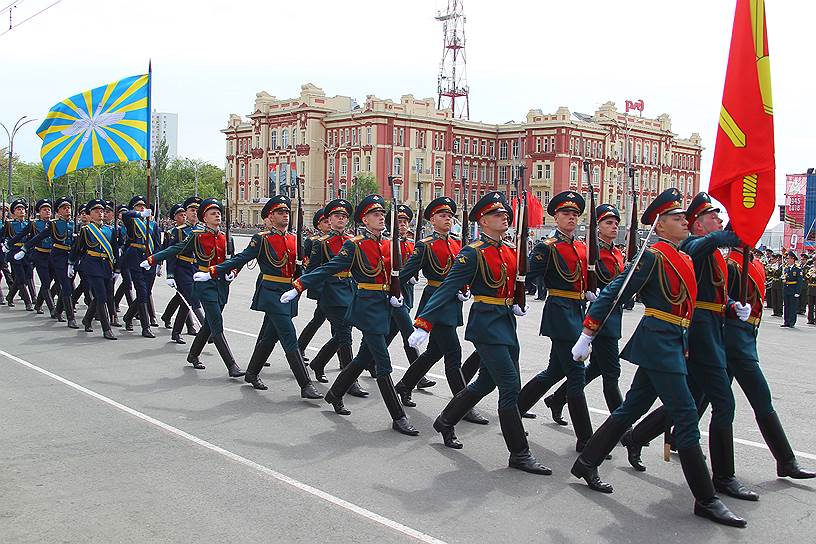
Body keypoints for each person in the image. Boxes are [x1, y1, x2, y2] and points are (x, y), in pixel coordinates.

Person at [569, 188, 746, 528]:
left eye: (684, 217)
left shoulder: (682, 255)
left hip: (671, 342)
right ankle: (706, 499)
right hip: (658, 343)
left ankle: (587, 461)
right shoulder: (653, 256)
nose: (685, 222)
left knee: (632, 407)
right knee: (686, 414)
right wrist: (587, 333)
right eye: (678, 218)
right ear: (661, 226)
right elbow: (614, 292)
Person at [620, 193, 756, 503]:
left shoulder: (714, 253)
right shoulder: (695, 246)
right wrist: (741, 219)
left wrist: (733, 307)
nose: (719, 222)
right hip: (699, 338)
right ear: (696, 223)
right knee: (723, 403)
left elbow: (714, 294)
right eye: (713, 217)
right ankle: (723, 477)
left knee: (687, 404)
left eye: (721, 217)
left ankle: (636, 436)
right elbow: (714, 241)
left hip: (711, 334)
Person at [410, 191, 550, 474]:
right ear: (483, 221)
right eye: (498, 215)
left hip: (506, 323)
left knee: (486, 381)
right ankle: (519, 453)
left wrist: (519, 300)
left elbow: (520, 281)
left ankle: (446, 421)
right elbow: (447, 287)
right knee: (510, 386)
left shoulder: (511, 249)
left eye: (506, 215)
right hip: (485, 324)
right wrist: (424, 323)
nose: (505, 218)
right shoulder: (472, 252)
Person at [281, 194, 419, 436]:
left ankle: (335, 393)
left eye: (382, 214)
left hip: (388, 306)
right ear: (364, 219)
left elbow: (398, 273)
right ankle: (398, 417)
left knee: (362, 358)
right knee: (383, 362)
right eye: (375, 214)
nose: (381, 217)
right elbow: (328, 268)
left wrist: (399, 289)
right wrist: (299, 285)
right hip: (367, 307)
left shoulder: (390, 244)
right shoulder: (354, 245)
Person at [207, 194, 322, 399]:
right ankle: (305, 384)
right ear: (270, 215)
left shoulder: (294, 239)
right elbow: (242, 258)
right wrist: (214, 271)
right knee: (289, 336)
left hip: (288, 294)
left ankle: (252, 372)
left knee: (270, 336)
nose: (285, 215)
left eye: (287, 212)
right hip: (271, 293)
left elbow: (300, 268)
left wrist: (301, 284)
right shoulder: (261, 239)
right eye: (280, 212)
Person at [722, 246, 815, 479]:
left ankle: (642, 436)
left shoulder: (752, 262)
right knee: (761, 398)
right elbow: (717, 298)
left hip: (745, 338)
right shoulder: (730, 264)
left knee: (698, 398)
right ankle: (786, 461)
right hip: (732, 342)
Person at [393, 196, 487, 424]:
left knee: (435, 352)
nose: (448, 219)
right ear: (432, 220)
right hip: (435, 302)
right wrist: (390, 292)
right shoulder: (425, 245)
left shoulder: (458, 244)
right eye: (442, 216)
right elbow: (405, 273)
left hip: (452, 303)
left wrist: (466, 289)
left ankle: (405, 385)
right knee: (453, 354)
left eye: (449, 215)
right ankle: (462, 404)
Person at [516, 191, 596, 452]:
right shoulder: (546, 247)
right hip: (560, 313)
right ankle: (586, 439)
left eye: (574, 214)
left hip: (577, 309)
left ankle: (515, 409)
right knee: (576, 373)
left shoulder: (583, 246)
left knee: (554, 371)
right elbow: (526, 275)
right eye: (565, 214)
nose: (571, 217)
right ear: (556, 217)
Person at [540, 204, 626, 426]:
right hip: (596, 317)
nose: (614, 226)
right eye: (608, 223)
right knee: (609, 372)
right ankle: (622, 427)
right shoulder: (590, 251)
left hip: (609, 317)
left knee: (586, 368)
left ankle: (557, 399)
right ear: (597, 227)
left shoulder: (616, 252)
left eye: (616, 223)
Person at [142, 198, 245, 377]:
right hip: (204, 284)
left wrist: (233, 272)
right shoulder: (197, 236)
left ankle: (193, 354)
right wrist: (152, 260)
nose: (217, 215)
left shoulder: (225, 236)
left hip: (222, 284)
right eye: (213, 213)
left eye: (219, 212)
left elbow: (235, 259)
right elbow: (175, 249)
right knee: (216, 324)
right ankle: (232, 365)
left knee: (209, 323)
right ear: (204, 218)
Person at [299, 198, 367, 398]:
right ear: (329, 219)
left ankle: (319, 363)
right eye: (337, 216)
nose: (341, 219)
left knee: (340, 335)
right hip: (330, 293)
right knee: (345, 336)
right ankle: (350, 381)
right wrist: (317, 293)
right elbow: (312, 270)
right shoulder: (320, 243)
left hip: (349, 290)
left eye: (344, 216)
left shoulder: (352, 241)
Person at [14, 197, 78, 328]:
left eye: (69, 207)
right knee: (57, 284)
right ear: (59, 211)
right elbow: (38, 237)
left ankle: (53, 308)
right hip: (53, 256)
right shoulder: (54, 224)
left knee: (65, 284)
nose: (67, 209)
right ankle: (70, 317)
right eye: (64, 208)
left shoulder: (75, 224)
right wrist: (24, 249)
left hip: (71, 257)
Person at [67, 199, 118, 340]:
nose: (100, 213)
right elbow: (78, 248)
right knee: (101, 296)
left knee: (106, 295)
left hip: (106, 265)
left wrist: (117, 269)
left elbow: (114, 250)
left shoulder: (110, 230)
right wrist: (71, 263)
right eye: (96, 211)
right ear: (90, 214)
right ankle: (106, 329)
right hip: (93, 265)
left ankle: (87, 319)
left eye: (102, 211)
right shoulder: (86, 230)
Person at [120, 196, 161, 338]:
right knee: (141, 290)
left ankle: (129, 315)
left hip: (149, 259)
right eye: (138, 206)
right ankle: (145, 326)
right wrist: (139, 214)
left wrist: (158, 263)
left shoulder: (153, 224)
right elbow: (124, 214)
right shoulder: (132, 221)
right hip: (135, 257)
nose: (142, 208)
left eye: (143, 206)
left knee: (146, 291)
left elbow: (157, 245)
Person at [296, 208, 330, 361]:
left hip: (337, 287)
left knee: (320, 319)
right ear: (318, 225)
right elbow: (308, 263)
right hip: (322, 286)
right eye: (325, 221)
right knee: (324, 320)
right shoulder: (313, 241)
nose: (328, 224)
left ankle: (300, 347)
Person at [2, 198, 35, 310]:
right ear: (13, 212)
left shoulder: (30, 224)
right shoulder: (9, 224)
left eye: (22, 209)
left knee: (27, 276)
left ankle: (10, 296)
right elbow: (2, 236)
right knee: (20, 277)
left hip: (26, 252)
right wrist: (5, 244)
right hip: (14, 252)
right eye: (18, 209)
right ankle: (28, 302)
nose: (21, 211)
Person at [781, 251, 803, 328]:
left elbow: (800, 281)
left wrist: (797, 292)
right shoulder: (786, 268)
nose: (787, 260)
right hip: (786, 289)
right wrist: (783, 279)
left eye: (788, 258)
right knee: (786, 306)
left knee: (792, 307)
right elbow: (785, 278)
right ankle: (786, 321)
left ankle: (792, 322)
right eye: (787, 258)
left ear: (793, 259)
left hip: (793, 289)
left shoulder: (797, 269)